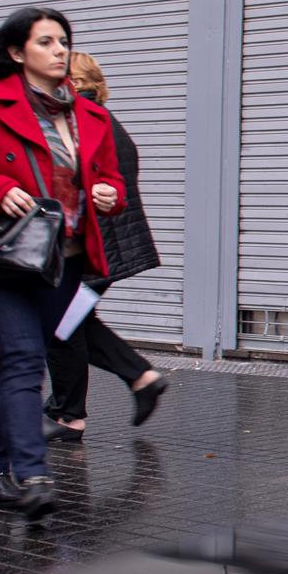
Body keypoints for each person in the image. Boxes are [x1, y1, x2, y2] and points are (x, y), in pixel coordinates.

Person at [0, 8, 126, 519]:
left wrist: (108, 193)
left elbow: (112, 182)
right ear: (17, 53)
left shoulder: (91, 117)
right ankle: (32, 474)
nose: (60, 50)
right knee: (22, 354)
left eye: (64, 41)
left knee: (16, 360)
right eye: (46, 42)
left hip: (58, 261)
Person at [42, 51, 168, 442]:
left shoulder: (83, 123)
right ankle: (131, 382)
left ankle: (73, 413)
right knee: (71, 322)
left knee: (60, 325)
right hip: (106, 250)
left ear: (75, 84)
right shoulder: (105, 122)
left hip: (92, 253)